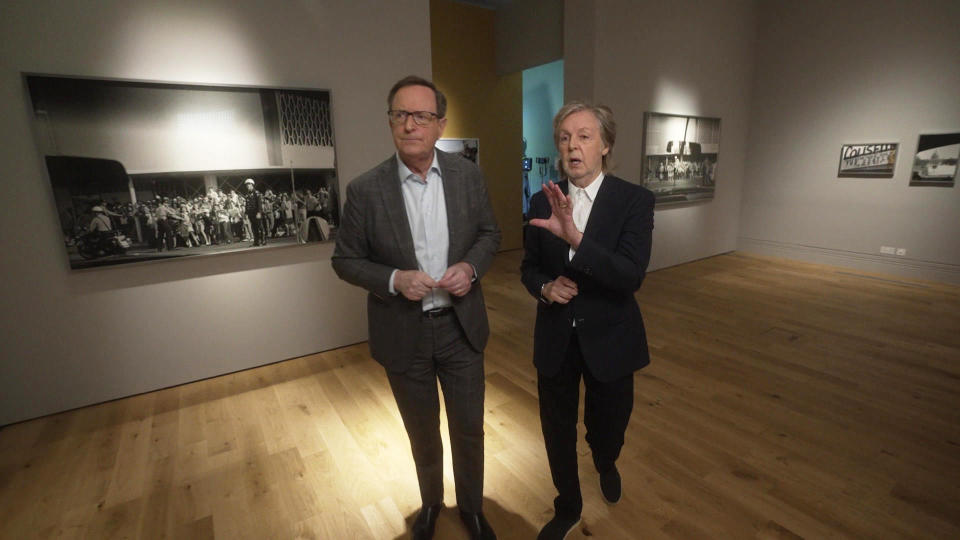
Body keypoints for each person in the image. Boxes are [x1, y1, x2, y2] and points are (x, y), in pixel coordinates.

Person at [331, 75, 501, 540]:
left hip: (461, 328)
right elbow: (344, 260)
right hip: (403, 331)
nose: (410, 125)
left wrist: (470, 267)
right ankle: (430, 504)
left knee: (469, 429)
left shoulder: (468, 175)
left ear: (440, 125)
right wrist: (393, 278)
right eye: (400, 115)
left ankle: (472, 508)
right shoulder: (366, 190)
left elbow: (490, 235)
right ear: (390, 123)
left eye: (421, 116)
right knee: (422, 432)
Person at [520, 101, 654, 540]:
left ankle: (606, 459)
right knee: (557, 429)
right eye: (564, 137)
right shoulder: (543, 199)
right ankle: (568, 504)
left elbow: (630, 275)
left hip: (612, 337)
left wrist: (575, 237)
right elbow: (529, 267)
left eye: (584, 136)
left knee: (609, 424)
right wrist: (545, 288)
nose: (572, 145)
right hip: (557, 335)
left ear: (605, 145)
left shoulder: (633, 201)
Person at [243, 178, 267, 246]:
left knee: (260, 227)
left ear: (252, 184)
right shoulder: (247, 195)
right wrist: (246, 214)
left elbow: (259, 204)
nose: (247, 186)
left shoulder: (257, 193)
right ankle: (256, 242)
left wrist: (259, 212)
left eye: (249, 184)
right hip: (251, 214)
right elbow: (247, 205)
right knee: (254, 228)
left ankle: (263, 240)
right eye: (246, 185)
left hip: (257, 213)